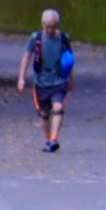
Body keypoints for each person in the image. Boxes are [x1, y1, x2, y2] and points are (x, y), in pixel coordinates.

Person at [17, 9, 75, 152]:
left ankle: (54, 138)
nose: (50, 30)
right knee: (44, 113)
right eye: (47, 27)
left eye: (53, 27)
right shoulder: (36, 38)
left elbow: (69, 60)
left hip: (58, 79)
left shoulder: (64, 38)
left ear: (57, 25)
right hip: (41, 82)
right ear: (42, 24)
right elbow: (27, 57)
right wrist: (21, 78)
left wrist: (71, 78)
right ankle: (48, 139)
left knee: (58, 107)